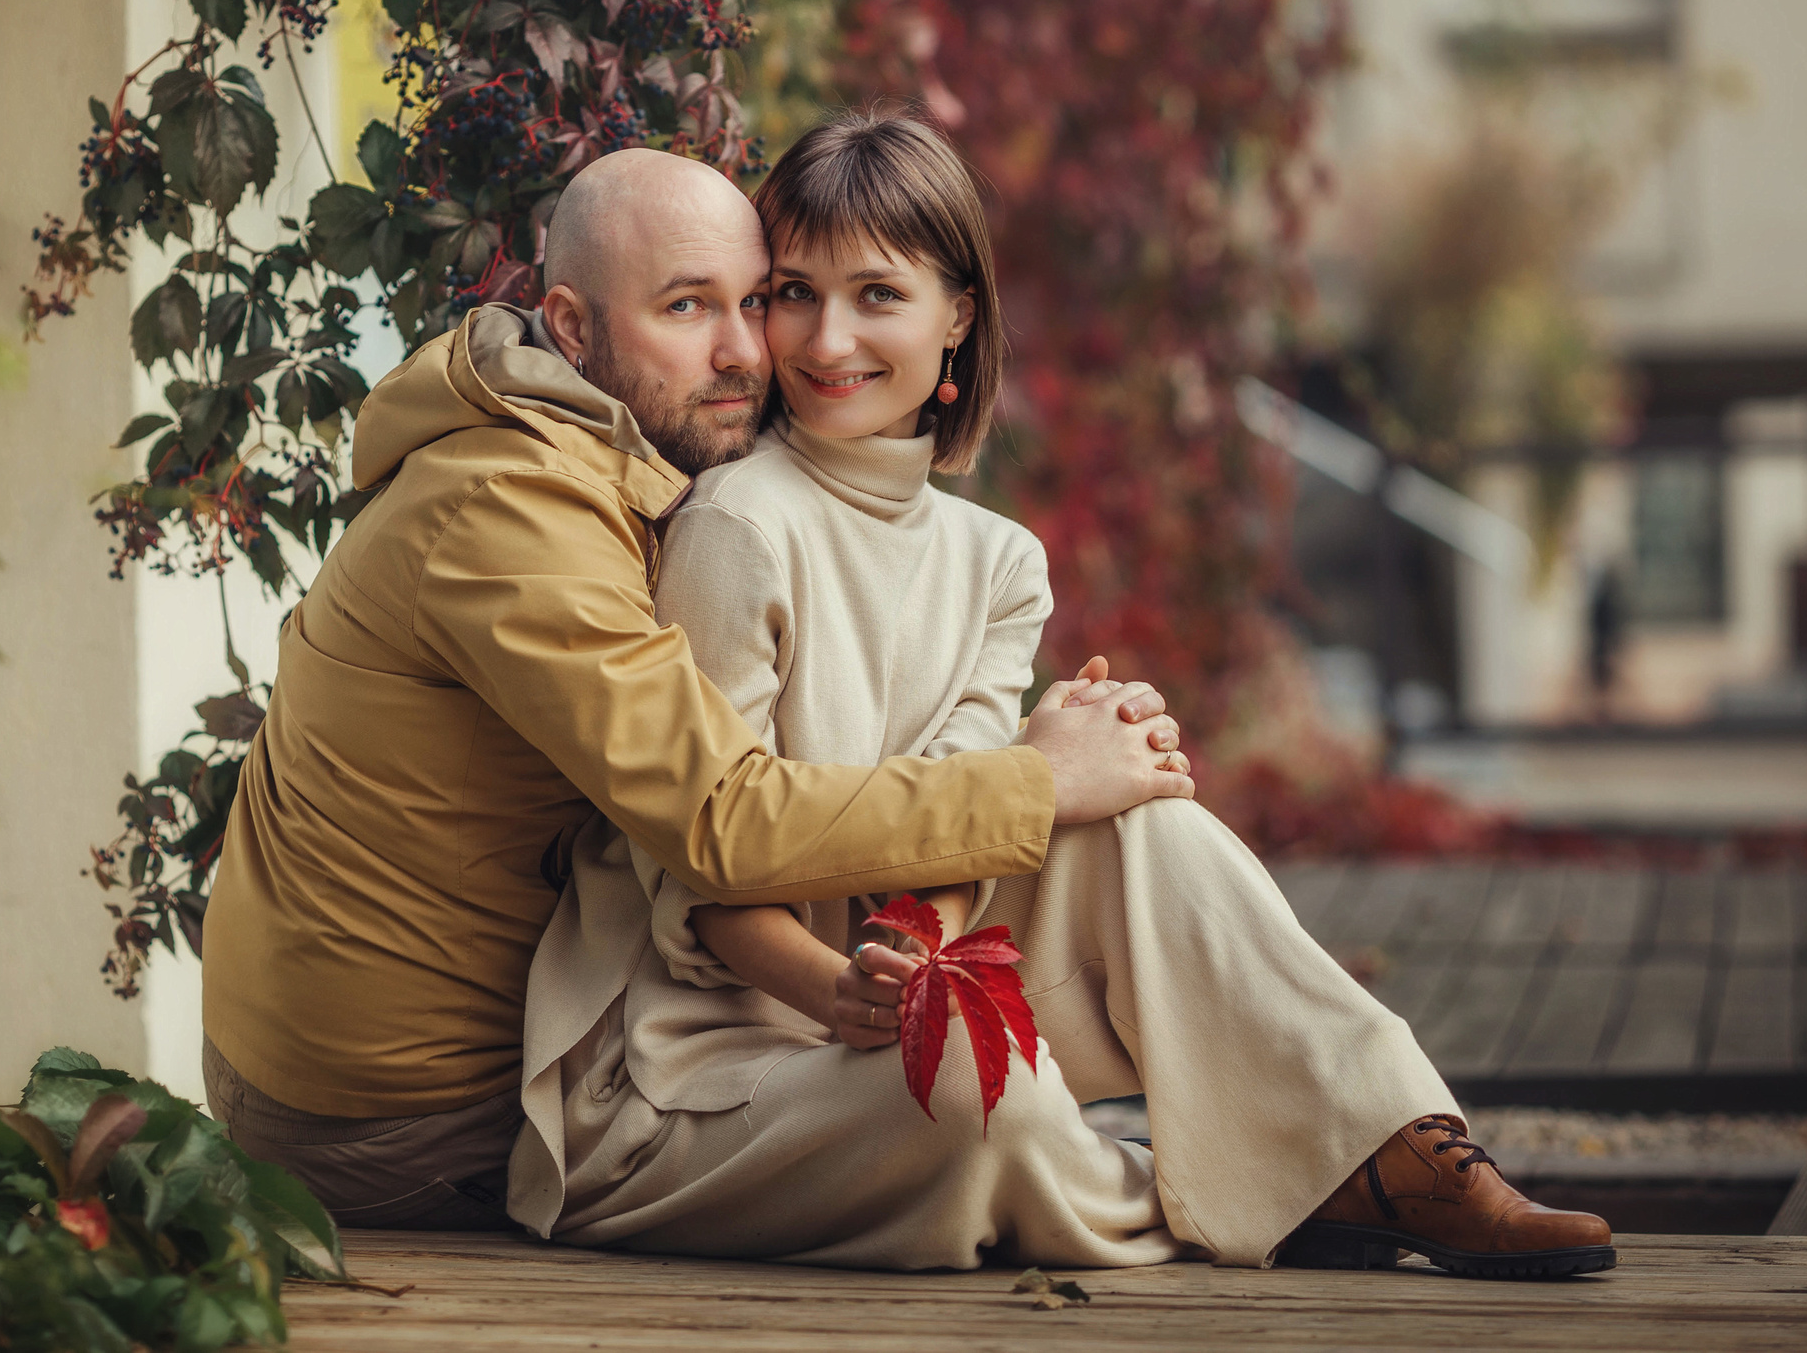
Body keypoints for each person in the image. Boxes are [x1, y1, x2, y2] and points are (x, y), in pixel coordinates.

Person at [509, 110, 1616, 1279]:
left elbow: (948, 841)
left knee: (1145, 825)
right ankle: (1270, 1180)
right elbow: (699, 874)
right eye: (793, 293)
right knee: (984, 1104)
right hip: (700, 1058)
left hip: (876, 997)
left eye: (877, 295)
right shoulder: (737, 524)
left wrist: (951, 903)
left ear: (957, 316)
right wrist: (844, 991)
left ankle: (1396, 1147)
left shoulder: (999, 563)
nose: (827, 338)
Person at [198, 145, 1191, 1234]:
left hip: (554, 1036)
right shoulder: (507, 510)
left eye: (754, 301)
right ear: (571, 328)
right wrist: (1038, 779)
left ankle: (1328, 1147)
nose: (747, 351)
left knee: (1144, 836)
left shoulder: (622, 464)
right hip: (400, 1119)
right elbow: (724, 819)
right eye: (686, 307)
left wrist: (1056, 777)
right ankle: (1192, 1193)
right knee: (975, 1103)